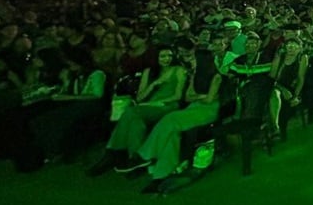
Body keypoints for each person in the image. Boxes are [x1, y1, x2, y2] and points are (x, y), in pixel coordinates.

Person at [125, 44, 224, 193]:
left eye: (194, 59)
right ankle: (160, 175)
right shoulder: (195, 75)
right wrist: (201, 96)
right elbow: (188, 97)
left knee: (171, 119)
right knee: (172, 134)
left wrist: (200, 97)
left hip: (208, 111)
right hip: (194, 107)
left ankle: (144, 155)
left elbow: (209, 100)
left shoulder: (216, 76)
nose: (191, 61)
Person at [87, 46, 186, 176]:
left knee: (131, 112)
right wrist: (153, 85)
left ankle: (112, 152)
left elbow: (178, 96)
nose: (167, 59)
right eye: (163, 56)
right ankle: (135, 159)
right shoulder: (148, 72)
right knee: (136, 124)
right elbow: (139, 98)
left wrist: (156, 102)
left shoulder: (178, 70)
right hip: (146, 106)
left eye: (169, 56)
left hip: (167, 105)